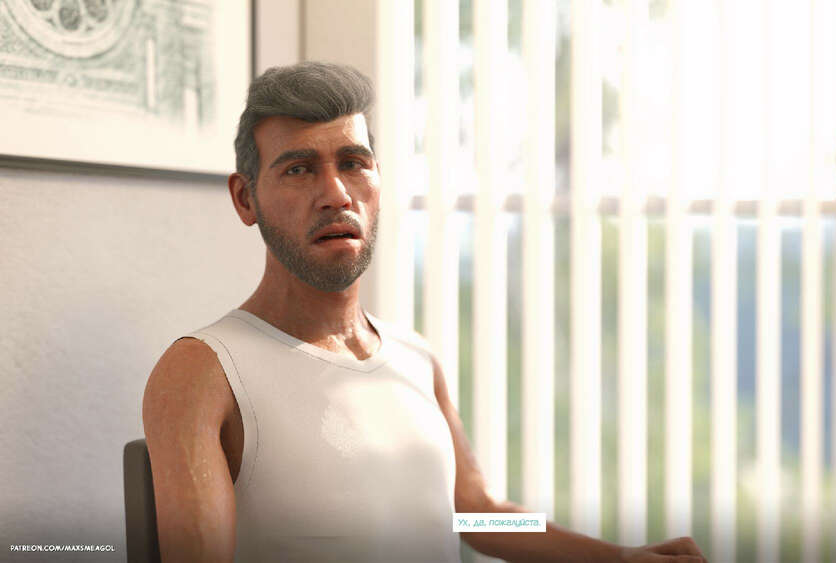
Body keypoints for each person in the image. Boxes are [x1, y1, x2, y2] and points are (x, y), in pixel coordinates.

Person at [141, 61, 707, 563]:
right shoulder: (202, 373)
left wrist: (617, 557)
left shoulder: (414, 357)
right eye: (299, 169)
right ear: (246, 199)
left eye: (353, 163)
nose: (336, 193)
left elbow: (477, 514)